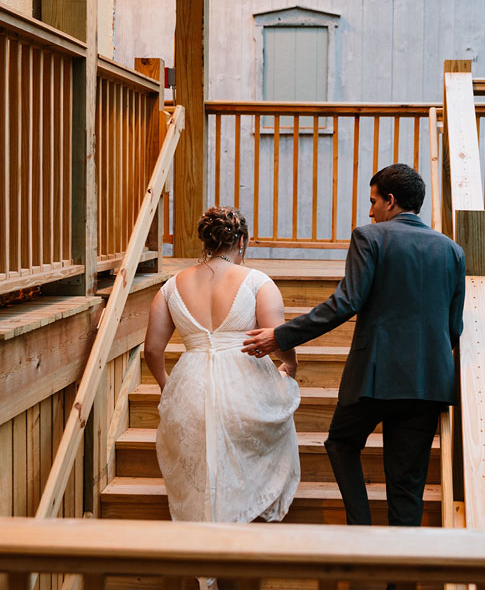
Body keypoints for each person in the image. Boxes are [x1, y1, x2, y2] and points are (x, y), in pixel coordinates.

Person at [243, 163, 466, 527]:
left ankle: (360, 531)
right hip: (428, 383)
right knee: (407, 490)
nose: (370, 211)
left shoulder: (369, 237)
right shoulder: (452, 251)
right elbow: (453, 327)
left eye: (373, 201)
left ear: (390, 201)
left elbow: (345, 303)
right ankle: (396, 583)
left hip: (373, 380)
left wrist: (279, 336)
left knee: (341, 444)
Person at [143, 206, 300, 526]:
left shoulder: (171, 286)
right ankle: (242, 518)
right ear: (241, 241)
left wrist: (165, 384)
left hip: (191, 384)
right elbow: (277, 339)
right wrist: (290, 366)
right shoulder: (258, 282)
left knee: (203, 466)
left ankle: (207, 528)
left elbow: (152, 349)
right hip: (244, 383)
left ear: (206, 241)